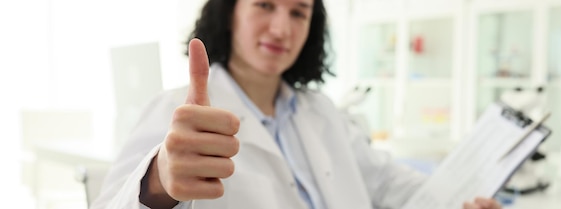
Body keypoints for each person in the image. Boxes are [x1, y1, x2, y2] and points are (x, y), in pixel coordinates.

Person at [92, 0, 502, 208]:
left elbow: (385, 181)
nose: (280, 28)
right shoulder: (176, 113)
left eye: (299, 12)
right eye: (265, 5)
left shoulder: (320, 111)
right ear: (230, 13)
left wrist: (454, 201)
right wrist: (159, 183)